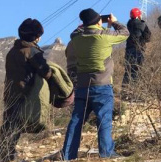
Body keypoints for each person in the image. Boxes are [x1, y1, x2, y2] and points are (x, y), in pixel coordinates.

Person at [61, 9, 129, 160]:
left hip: (82, 86)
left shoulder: (76, 38)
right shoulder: (104, 36)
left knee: (76, 121)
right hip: (102, 85)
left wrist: (87, 25)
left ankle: (67, 155)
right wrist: (113, 22)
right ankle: (106, 153)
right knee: (104, 119)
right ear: (99, 22)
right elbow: (125, 33)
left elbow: (75, 32)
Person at [0, 19, 52, 162]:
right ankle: (5, 155)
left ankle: (6, 154)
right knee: (15, 127)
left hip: (11, 93)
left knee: (10, 126)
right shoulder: (32, 51)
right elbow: (46, 72)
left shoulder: (12, 51)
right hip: (26, 93)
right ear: (35, 36)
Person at [122, 8, 151, 88]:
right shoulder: (142, 24)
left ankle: (124, 89)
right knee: (136, 70)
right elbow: (148, 37)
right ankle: (134, 89)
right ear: (139, 15)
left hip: (128, 50)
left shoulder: (128, 24)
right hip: (138, 50)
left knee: (128, 70)